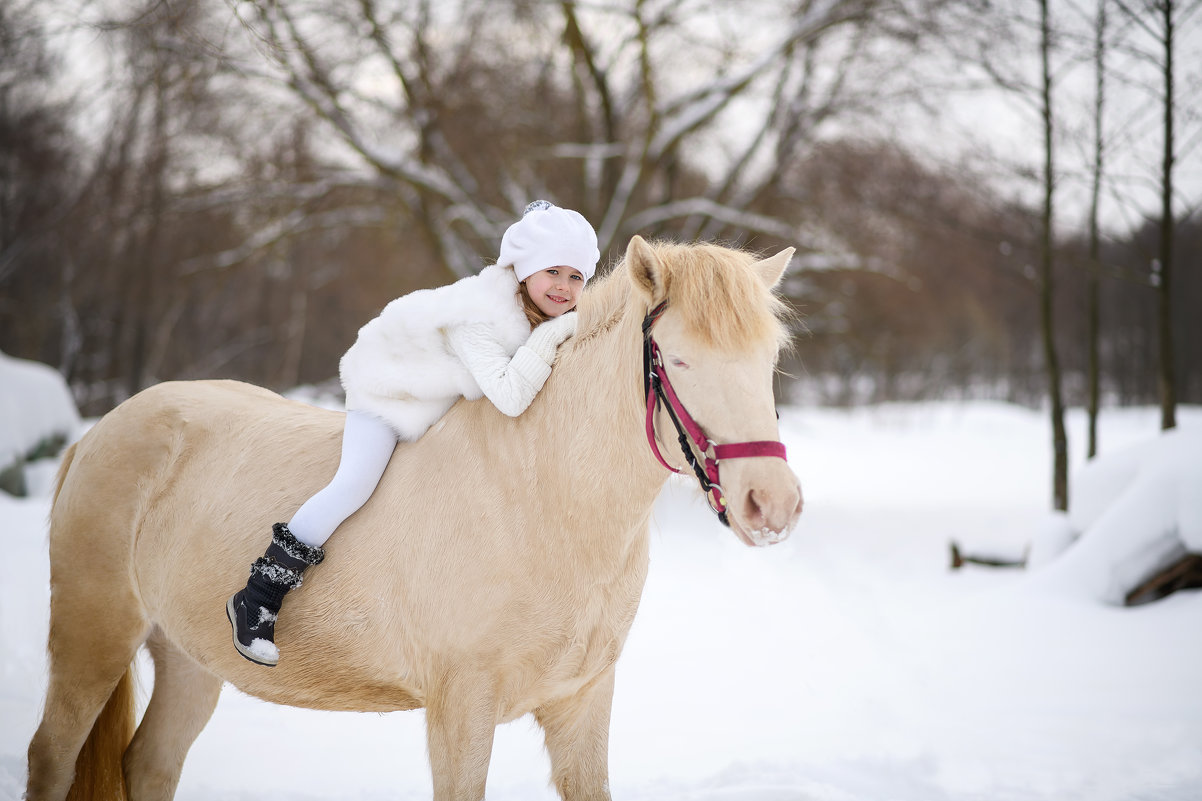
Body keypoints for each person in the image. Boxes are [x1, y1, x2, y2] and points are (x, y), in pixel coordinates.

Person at [227, 200, 600, 667]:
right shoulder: (478, 315)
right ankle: (258, 596)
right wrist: (554, 335)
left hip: (445, 403)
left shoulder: (542, 315)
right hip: (393, 390)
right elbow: (510, 395)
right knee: (356, 483)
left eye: (576, 276)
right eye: (553, 272)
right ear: (524, 270)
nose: (564, 287)